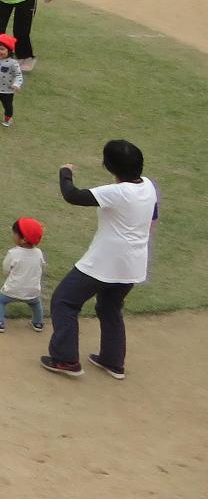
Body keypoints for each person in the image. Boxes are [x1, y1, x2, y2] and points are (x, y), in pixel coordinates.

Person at [42, 140, 160, 380]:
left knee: (64, 301)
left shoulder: (117, 192)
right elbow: (153, 217)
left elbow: (72, 195)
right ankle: (113, 361)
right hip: (133, 264)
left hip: (104, 262)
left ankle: (65, 359)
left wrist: (65, 172)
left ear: (110, 166)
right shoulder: (148, 186)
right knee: (109, 307)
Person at [0, 217, 47, 333]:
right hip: (33, 290)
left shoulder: (13, 253)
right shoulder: (39, 253)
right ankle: (38, 322)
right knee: (36, 303)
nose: (13, 236)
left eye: (15, 234)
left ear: (23, 239)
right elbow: (42, 267)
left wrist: (8, 275)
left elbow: (6, 269)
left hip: (12, 289)